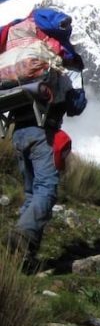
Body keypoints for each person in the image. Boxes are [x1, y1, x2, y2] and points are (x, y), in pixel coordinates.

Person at [3, 73, 87, 269]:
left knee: (31, 193)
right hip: (42, 133)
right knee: (46, 189)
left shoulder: (24, 73)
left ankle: (22, 256)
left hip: (18, 134)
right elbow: (76, 107)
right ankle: (22, 235)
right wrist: (76, 88)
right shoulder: (58, 73)